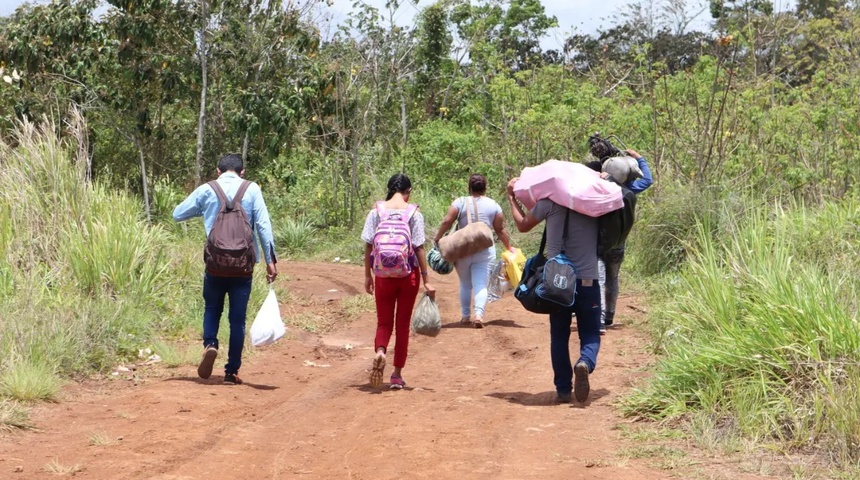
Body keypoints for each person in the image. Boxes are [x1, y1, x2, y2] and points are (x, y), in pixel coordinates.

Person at [173, 153, 278, 385]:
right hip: (243, 266)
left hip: (215, 264)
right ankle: (231, 372)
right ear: (243, 172)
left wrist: (204, 209)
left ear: (218, 171)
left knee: (212, 308)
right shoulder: (252, 189)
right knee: (237, 320)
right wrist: (271, 260)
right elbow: (263, 225)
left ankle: (210, 344)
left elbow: (177, 213)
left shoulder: (207, 189)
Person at [505, 177, 602, 404]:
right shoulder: (596, 203)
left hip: (558, 281)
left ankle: (563, 390)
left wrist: (511, 198)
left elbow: (523, 224)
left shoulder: (550, 203)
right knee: (590, 332)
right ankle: (585, 363)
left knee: (559, 335)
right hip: (588, 279)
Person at [361, 173, 436, 390]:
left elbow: (367, 245)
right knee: (402, 325)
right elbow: (419, 247)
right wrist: (426, 280)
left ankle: (380, 351)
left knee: (384, 322)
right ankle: (396, 375)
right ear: (408, 191)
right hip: (408, 275)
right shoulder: (413, 213)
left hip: (382, 275)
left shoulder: (376, 211)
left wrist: (367, 275)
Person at [433, 174, 514, 328]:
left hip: (462, 250)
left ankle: (465, 316)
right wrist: (509, 247)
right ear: (485, 188)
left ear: (469, 187)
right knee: (481, 284)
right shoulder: (494, 205)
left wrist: (438, 238)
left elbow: (447, 221)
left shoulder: (460, 202)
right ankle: (478, 314)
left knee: (465, 284)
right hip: (485, 250)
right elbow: (500, 230)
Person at [596, 148, 653, 334]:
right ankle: (610, 315)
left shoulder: (600, 190)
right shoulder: (630, 191)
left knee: (599, 280)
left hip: (599, 244)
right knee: (612, 279)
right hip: (619, 243)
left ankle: (600, 319)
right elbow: (648, 180)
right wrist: (639, 158)